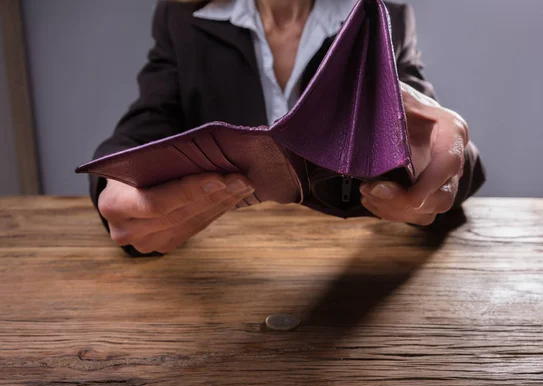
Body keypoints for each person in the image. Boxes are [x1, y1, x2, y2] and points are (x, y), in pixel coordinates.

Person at [91, 0, 486, 256]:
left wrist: (449, 168)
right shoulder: (180, 18)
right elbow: (147, 120)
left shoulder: (384, 10)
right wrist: (114, 188)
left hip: (355, 259)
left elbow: (430, 129)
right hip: (230, 258)